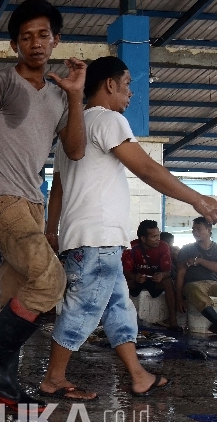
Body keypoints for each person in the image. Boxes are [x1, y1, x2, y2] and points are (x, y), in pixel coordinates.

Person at [40, 56, 217, 400]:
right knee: (84, 308)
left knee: (119, 309)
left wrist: (52, 230)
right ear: (109, 84)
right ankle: (53, 379)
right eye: (127, 84)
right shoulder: (107, 120)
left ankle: (138, 375)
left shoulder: (70, 132)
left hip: (87, 239)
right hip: (98, 238)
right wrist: (197, 200)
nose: (131, 93)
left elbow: (57, 188)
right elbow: (148, 170)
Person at [0, 0, 88, 411]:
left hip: (31, 203)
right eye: (26, 36)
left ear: (56, 41)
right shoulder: (0, 83)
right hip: (2, 199)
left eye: (43, 35)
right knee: (51, 282)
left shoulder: (59, 93)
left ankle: (1, 394)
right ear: (15, 44)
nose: (35, 43)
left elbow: (75, 149)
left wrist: (75, 96)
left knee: (13, 297)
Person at [122, 219, 178, 329]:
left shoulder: (163, 246)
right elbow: (125, 271)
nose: (158, 239)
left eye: (158, 235)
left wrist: (162, 275)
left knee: (168, 282)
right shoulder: (132, 248)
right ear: (143, 238)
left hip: (154, 281)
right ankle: (121, 318)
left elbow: (168, 271)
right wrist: (135, 277)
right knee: (119, 284)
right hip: (136, 280)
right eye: (154, 237)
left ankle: (173, 320)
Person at [176, 217, 217, 333]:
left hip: (213, 283)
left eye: (199, 229)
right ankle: (216, 321)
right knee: (194, 289)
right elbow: (180, 273)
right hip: (193, 285)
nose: (195, 232)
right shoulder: (187, 249)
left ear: (209, 229)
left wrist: (199, 260)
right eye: (193, 229)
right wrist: (179, 299)